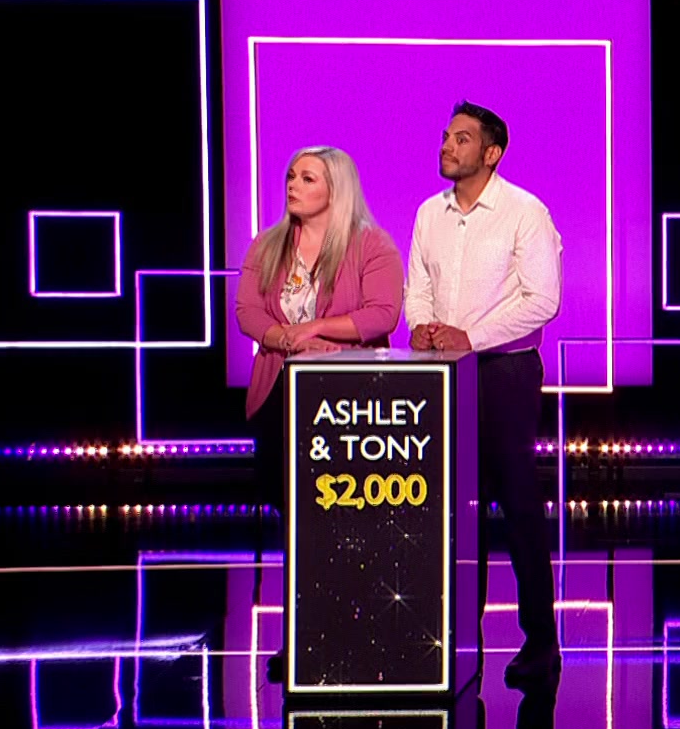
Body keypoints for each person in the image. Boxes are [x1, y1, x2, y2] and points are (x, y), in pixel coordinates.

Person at [406, 100, 564, 689]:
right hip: (444, 375)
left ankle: (540, 642)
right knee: (450, 510)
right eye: (446, 136)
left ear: (491, 153)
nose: (447, 145)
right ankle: (454, 639)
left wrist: (470, 337)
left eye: (462, 139)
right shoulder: (430, 213)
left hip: (505, 373)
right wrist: (421, 327)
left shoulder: (525, 212)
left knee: (519, 507)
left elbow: (542, 299)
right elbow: (417, 286)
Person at [234, 145, 404, 681]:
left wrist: (314, 330)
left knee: (348, 522)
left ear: (337, 187)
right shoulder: (267, 246)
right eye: (291, 175)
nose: (293, 184)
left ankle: (361, 635)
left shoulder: (371, 244)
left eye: (307, 177)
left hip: (347, 403)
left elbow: (382, 314)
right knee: (297, 524)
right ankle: (303, 637)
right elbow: (247, 311)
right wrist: (283, 338)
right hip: (280, 395)